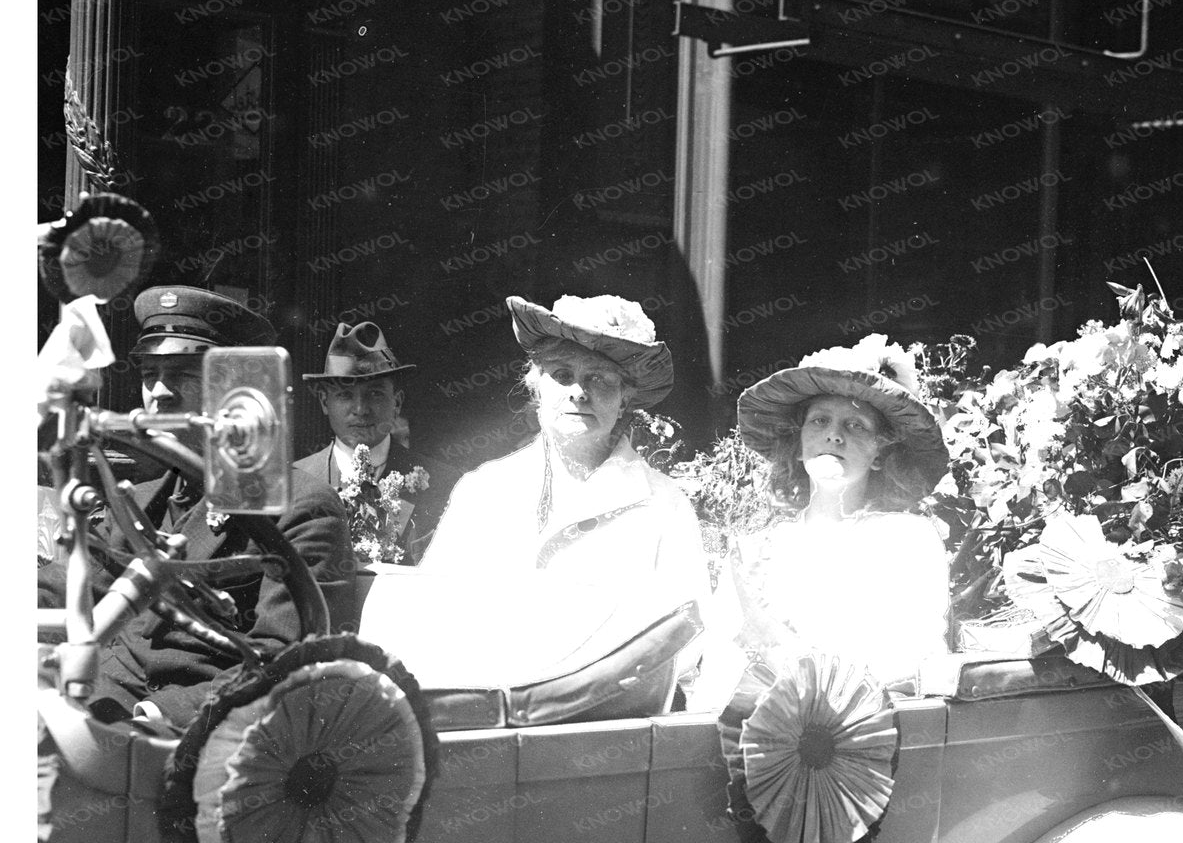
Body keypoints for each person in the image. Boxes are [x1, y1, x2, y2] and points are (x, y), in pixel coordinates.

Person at [370, 294, 711, 705]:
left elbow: (687, 639)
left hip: (610, 720)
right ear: (536, 387)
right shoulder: (485, 489)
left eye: (600, 379)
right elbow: (431, 615)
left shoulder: (662, 504)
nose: (579, 392)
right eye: (562, 374)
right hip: (490, 713)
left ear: (625, 398)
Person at [47, 285, 355, 730]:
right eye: (150, 373)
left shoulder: (299, 508)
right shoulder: (139, 499)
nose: (159, 393)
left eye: (185, 375)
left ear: (237, 388)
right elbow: (64, 586)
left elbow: (285, 660)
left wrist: (157, 716)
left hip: (188, 734)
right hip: (95, 707)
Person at [692, 334, 950, 703]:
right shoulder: (758, 549)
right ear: (797, 446)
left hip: (865, 728)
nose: (833, 435)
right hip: (761, 736)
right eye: (819, 421)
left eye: (856, 425)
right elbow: (720, 663)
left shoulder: (906, 539)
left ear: (880, 452)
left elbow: (912, 652)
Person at [294, 320, 456, 564]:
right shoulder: (294, 483)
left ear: (397, 403)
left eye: (376, 393)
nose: (360, 409)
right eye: (345, 395)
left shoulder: (448, 485)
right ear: (325, 402)